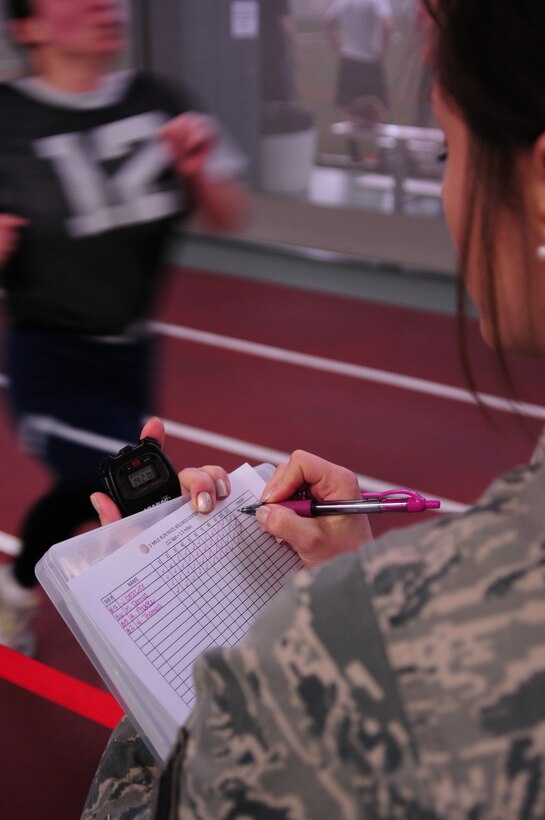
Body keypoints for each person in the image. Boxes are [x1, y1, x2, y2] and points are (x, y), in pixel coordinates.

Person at [82, 0, 545, 816]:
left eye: (445, 146)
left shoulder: (382, 649)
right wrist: (348, 578)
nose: (447, 189)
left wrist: (191, 653)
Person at [0, 0, 247, 657]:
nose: (101, 3)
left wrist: (197, 171)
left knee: (82, 488)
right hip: (49, 358)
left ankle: (15, 587)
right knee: (141, 488)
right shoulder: (7, 119)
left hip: (131, 353)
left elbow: (229, 212)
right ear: (28, 25)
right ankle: (196, 650)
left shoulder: (158, 98)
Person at [323, 0, 393, 116]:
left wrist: (337, 46)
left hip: (348, 59)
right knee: (377, 111)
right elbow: (387, 25)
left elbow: (327, 22)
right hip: (369, 60)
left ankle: (352, 134)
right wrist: (383, 51)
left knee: (351, 111)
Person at [260, 0, 300, 104]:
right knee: (282, 95)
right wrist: (296, 49)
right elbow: (284, 21)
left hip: (254, 51)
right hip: (275, 53)